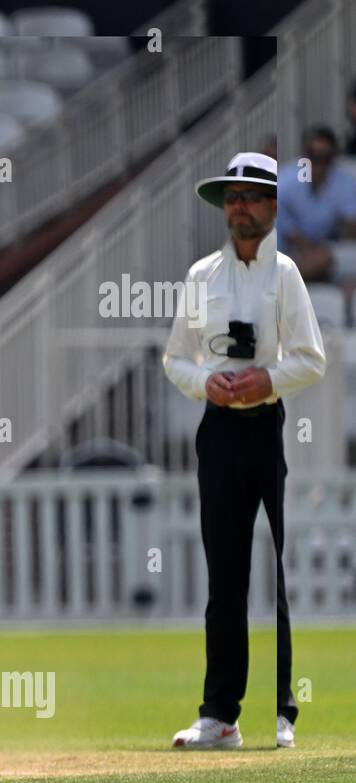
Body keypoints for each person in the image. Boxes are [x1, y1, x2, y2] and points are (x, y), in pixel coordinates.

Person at [163, 152, 326, 750]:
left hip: (265, 426)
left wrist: (267, 381)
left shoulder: (285, 274)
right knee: (224, 576)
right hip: (219, 430)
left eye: (252, 195)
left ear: (272, 207)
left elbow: (311, 359)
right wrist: (204, 382)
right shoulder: (202, 274)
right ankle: (220, 717)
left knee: (279, 569)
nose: (239, 205)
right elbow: (176, 357)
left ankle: (284, 713)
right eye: (232, 196)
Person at [276, 126, 356, 282]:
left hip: (319, 251)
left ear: (333, 158)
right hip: (283, 251)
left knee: (328, 259)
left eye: (325, 157)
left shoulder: (343, 181)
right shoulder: (285, 182)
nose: (318, 164)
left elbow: (352, 225)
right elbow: (290, 234)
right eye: (313, 156)